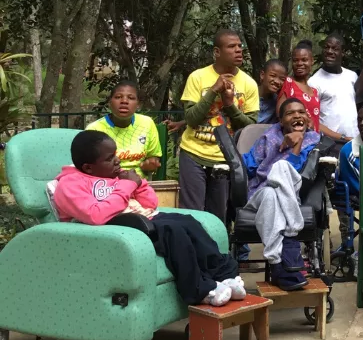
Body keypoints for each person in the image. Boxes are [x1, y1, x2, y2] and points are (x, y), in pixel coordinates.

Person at [53, 131, 245, 307]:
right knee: (174, 232)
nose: (118, 161)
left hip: (143, 218)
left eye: (116, 155)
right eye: (110, 159)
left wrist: (139, 183)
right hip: (117, 229)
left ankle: (226, 275)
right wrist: (126, 186)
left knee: (188, 221)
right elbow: (95, 215)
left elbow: (151, 203)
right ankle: (199, 290)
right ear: (89, 167)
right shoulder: (69, 185)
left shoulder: (113, 176)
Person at [178, 29, 258, 224]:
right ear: (217, 52)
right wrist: (213, 90)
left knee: (218, 217)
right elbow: (191, 119)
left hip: (225, 158)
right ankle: (190, 254)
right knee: (191, 215)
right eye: (232, 46)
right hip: (193, 154)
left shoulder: (249, 83)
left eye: (240, 46)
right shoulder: (198, 77)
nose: (238, 50)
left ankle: (217, 254)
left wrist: (230, 105)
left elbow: (251, 127)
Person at [242, 99, 321, 290]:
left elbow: (296, 172)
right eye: (290, 113)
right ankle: (291, 238)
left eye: (301, 112)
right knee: (272, 182)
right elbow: (248, 166)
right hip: (259, 191)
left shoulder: (313, 140)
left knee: (279, 174)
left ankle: (277, 265)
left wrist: (296, 144)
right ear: (281, 120)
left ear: (307, 117)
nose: (297, 116)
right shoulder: (267, 138)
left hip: (292, 193)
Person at [86, 81, 161, 178]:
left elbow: (153, 157)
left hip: (139, 183)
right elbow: (89, 165)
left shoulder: (147, 123)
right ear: (109, 102)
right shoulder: (94, 129)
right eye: (118, 97)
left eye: (131, 98)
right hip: (106, 185)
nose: (124, 101)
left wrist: (149, 165)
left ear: (138, 104)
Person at [309, 34, 359, 145]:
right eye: (326, 47)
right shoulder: (314, 82)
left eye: (335, 49)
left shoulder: (352, 76)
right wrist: (341, 137)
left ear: (343, 52)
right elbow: (312, 121)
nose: (329, 51)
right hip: (329, 144)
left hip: (354, 141)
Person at [276, 40, 323, 133]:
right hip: (296, 140)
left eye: (304, 60)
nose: (299, 63)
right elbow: (280, 115)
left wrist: (343, 137)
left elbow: (316, 123)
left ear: (312, 61)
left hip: (314, 141)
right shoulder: (288, 83)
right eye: (295, 60)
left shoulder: (314, 91)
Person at [258, 59, 288, 124]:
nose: (277, 81)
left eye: (282, 79)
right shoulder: (249, 95)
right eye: (273, 76)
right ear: (262, 75)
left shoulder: (278, 102)